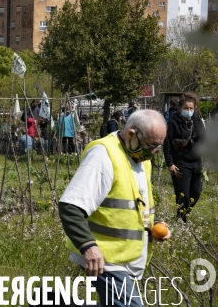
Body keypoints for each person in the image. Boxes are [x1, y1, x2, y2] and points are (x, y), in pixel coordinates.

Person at [59, 110, 170, 307]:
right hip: (105, 260)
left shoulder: (141, 160)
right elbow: (71, 205)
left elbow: (133, 203)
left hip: (128, 258)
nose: (152, 152)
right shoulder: (103, 155)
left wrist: (151, 227)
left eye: (157, 147)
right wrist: (88, 246)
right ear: (131, 134)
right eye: (150, 145)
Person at [163, 92, 205, 222]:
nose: (189, 111)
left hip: (196, 163)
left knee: (196, 193)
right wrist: (170, 163)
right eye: (186, 108)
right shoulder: (173, 122)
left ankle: (186, 214)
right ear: (180, 108)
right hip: (180, 163)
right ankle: (181, 219)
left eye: (191, 108)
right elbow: (167, 145)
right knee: (183, 194)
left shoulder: (197, 121)